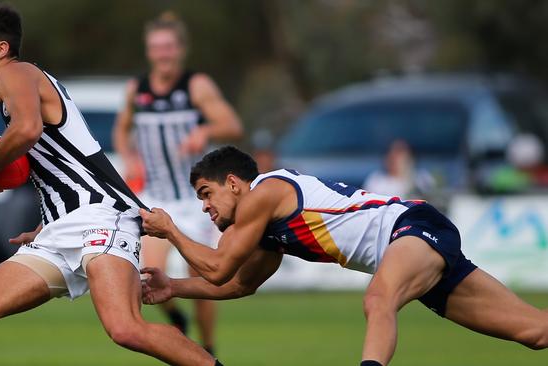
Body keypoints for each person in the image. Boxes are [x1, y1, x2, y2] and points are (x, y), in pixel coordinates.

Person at [0, 5, 221, 366]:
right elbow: (62, 164)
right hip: (62, 228)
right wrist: (48, 221)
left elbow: (27, 130)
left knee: (125, 328)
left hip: (101, 217)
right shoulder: (12, 95)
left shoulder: (17, 72)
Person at [140, 146, 548, 366]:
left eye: (207, 195)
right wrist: (173, 286)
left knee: (377, 299)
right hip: (413, 245)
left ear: (233, 183)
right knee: (535, 333)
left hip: (410, 226)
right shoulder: (265, 226)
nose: (205, 208)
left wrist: (170, 230)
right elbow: (238, 283)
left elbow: (218, 265)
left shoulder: (263, 193)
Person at [113, 12, 242, 353]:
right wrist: (129, 155)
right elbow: (121, 130)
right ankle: (176, 318)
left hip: (196, 200)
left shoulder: (196, 86)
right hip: (156, 195)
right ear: (149, 51)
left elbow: (232, 125)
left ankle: (209, 346)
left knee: (203, 279)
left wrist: (206, 130)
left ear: (180, 49)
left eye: (169, 47)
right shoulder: (136, 90)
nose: (163, 54)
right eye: (157, 47)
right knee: (146, 271)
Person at [363, 139, 434, 198]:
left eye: (399, 152)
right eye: (390, 151)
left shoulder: (423, 178)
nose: (392, 156)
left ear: (411, 157)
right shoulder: (376, 180)